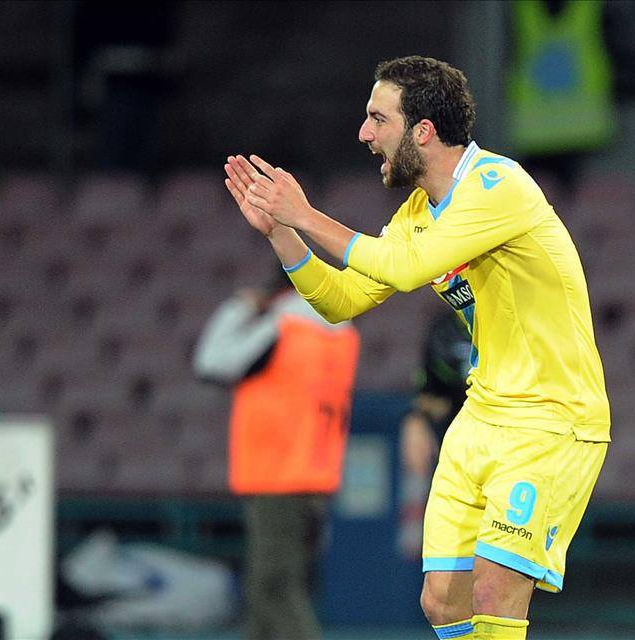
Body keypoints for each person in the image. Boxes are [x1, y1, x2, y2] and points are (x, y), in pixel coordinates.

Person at [223, 55, 611, 640]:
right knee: (442, 601)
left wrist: (306, 213)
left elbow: (405, 269)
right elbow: (342, 300)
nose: (365, 134)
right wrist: (283, 232)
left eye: (378, 119)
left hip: (550, 420)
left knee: (494, 591)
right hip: (481, 417)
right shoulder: (417, 214)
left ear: (423, 131)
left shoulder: (497, 185)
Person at [192, 266, 360, 640]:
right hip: (316, 476)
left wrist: (239, 308)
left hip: (277, 478)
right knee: (267, 591)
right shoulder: (343, 333)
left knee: (274, 588)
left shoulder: (284, 325)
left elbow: (210, 362)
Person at [399, 309, 473, 559]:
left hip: (507, 443)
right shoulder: (445, 332)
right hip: (458, 449)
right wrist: (416, 419)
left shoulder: (514, 320)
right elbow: (430, 394)